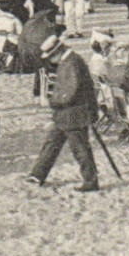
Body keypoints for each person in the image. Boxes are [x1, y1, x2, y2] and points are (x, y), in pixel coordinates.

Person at [25, 34, 99, 192]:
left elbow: (69, 93)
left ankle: (91, 181)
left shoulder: (72, 63)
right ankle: (37, 174)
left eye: (51, 57)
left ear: (57, 52)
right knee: (52, 142)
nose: (51, 61)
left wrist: (51, 101)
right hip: (67, 113)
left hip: (75, 114)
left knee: (79, 148)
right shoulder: (70, 61)